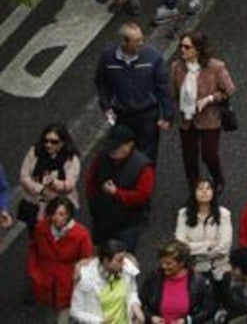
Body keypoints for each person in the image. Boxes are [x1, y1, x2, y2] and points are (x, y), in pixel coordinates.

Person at [95, 22, 172, 163]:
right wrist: (106, 106)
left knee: (147, 157)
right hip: (122, 115)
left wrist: (167, 115)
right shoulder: (107, 58)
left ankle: (145, 183)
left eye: (141, 39)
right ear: (124, 42)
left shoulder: (153, 57)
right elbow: (101, 83)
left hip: (147, 115)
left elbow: (163, 86)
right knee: (121, 153)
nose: (142, 43)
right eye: (137, 41)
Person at [170, 30, 236, 191]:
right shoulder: (177, 67)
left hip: (209, 118)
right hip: (187, 119)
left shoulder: (215, 67)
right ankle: (194, 188)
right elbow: (173, 92)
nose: (182, 50)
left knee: (209, 155)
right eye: (181, 46)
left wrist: (210, 99)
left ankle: (217, 179)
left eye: (187, 47)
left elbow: (229, 89)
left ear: (197, 49)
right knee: (189, 157)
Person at [86, 125, 155, 250]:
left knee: (123, 258)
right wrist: (93, 202)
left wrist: (117, 193)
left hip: (128, 223)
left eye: (117, 147)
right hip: (102, 219)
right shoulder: (102, 157)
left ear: (129, 145)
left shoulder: (143, 167)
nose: (112, 151)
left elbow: (143, 196)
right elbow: (91, 180)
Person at [27, 196, 93, 317]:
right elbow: (33, 250)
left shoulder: (81, 235)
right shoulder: (41, 228)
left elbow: (86, 260)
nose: (56, 217)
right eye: (54, 213)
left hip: (67, 284)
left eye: (61, 214)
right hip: (44, 281)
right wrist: (34, 272)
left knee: (63, 316)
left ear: (69, 215)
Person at [174, 178, 232, 308]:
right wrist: (209, 244)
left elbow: (224, 248)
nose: (204, 192)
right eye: (200, 189)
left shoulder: (224, 214)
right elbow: (180, 247)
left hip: (219, 270)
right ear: (193, 192)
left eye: (208, 188)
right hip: (194, 269)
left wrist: (193, 248)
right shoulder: (183, 214)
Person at [17, 123, 81, 230]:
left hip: (58, 207)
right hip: (35, 203)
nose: (48, 144)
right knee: (36, 234)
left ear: (63, 143)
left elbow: (70, 184)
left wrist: (54, 183)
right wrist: (41, 189)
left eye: (54, 142)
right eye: (46, 141)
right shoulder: (35, 151)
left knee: (58, 237)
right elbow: (24, 176)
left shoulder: (71, 159)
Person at [139, 240, 216, 324]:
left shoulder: (198, 282)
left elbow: (208, 310)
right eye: (162, 262)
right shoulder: (154, 277)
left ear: (181, 263)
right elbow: (141, 303)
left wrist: (187, 321)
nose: (163, 266)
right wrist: (151, 317)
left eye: (168, 263)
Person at [71, 239, 144, 324]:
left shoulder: (127, 270)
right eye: (119, 260)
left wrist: (135, 306)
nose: (124, 263)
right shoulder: (85, 277)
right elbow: (75, 311)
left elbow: (132, 292)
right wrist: (98, 321)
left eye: (123, 258)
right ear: (106, 260)